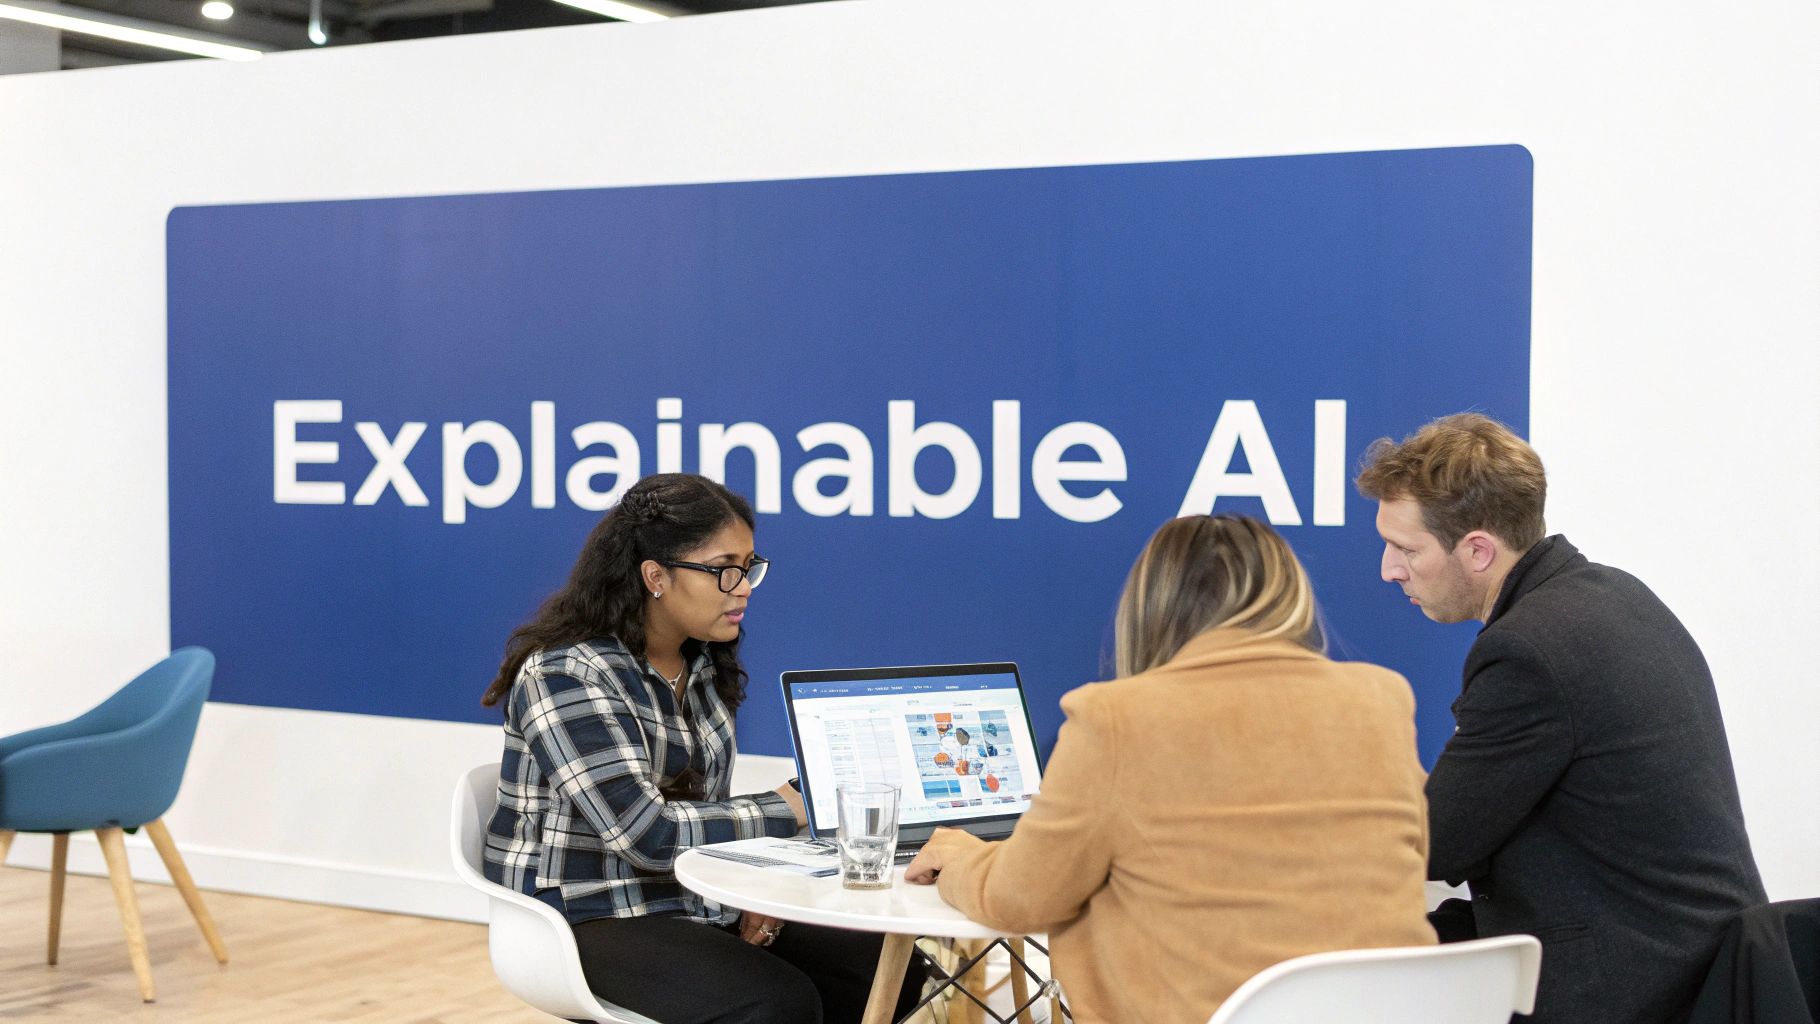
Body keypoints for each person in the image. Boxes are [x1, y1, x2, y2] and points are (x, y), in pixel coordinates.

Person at [905, 514, 1434, 1023]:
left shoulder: (1115, 718)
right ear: (1288, 597)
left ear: (1150, 606)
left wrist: (962, 858)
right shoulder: (1382, 699)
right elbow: (1406, 857)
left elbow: (1019, 899)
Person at [1356, 413, 1764, 1024]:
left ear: (1477, 550)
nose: (1389, 570)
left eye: (1406, 549)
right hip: (1692, 969)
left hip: (1635, 992)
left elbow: (1437, 843)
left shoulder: (1529, 650)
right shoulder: (1619, 596)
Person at [480, 473, 926, 1024]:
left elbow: (704, 816)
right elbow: (649, 835)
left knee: (886, 968)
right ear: (655, 576)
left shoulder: (703, 666)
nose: (743, 586)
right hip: (582, 913)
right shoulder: (568, 673)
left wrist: (751, 894)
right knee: (775, 1003)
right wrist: (790, 807)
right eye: (724, 570)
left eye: (749, 567)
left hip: (683, 899)